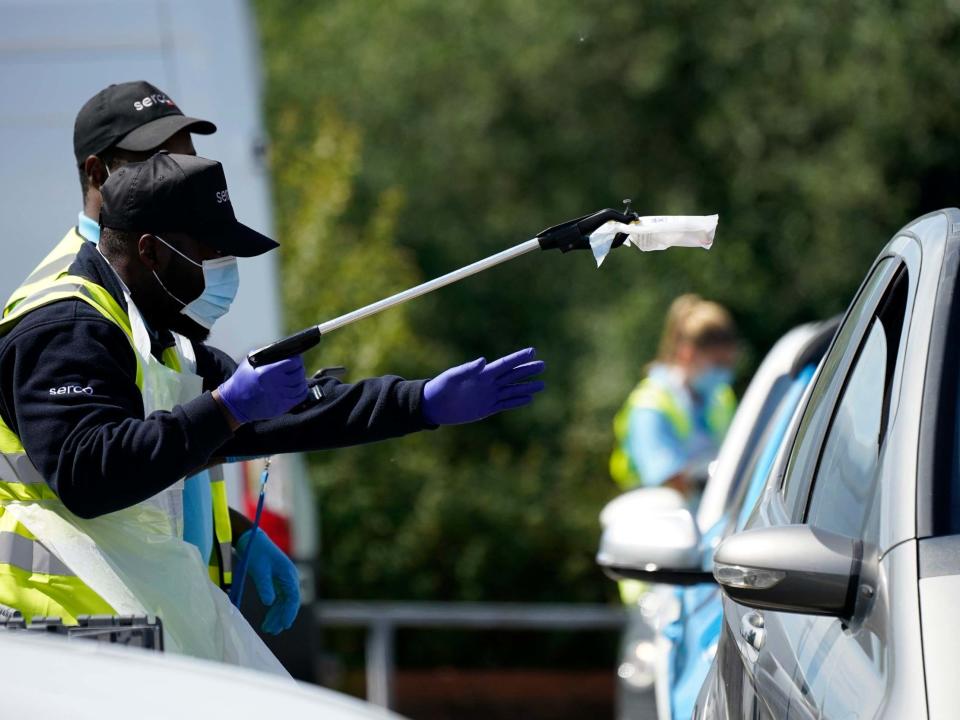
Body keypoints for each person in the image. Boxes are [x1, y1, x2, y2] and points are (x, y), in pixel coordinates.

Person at [0, 152, 545, 672]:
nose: (226, 270)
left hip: (122, 620)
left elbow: (287, 411)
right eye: (212, 251)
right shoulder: (70, 327)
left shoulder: (158, 339)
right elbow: (87, 474)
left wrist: (418, 401)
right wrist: (225, 408)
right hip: (58, 633)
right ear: (150, 251)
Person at [610, 294, 738, 501]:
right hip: (655, 518)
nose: (724, 372)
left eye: (728, 364)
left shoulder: (720, 397)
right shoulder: (650, 405)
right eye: (717, 364)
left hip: (708, 515)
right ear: (687, 353)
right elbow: (671, 480)